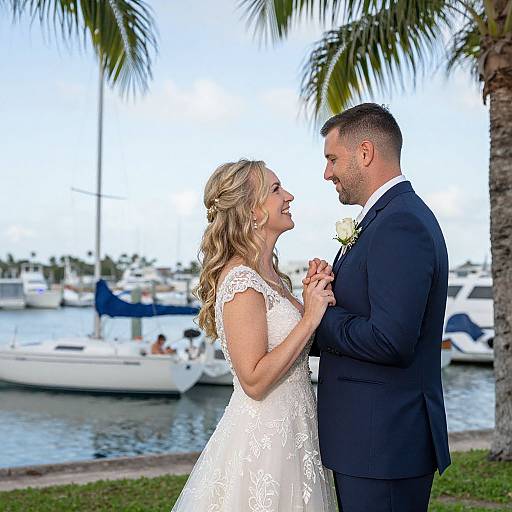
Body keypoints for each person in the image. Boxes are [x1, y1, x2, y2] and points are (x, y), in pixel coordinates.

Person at [306, 103, 451, 512]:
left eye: (332, 159)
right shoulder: (386, 219)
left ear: (365, 152)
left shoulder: (399, 223)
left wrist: (317, 317)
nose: (327, 173)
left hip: (383, 444)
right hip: (371, 442)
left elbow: (390, 341)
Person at [171, 160, 337, 511]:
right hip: (265, 440)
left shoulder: (269, 274)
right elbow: (254, 381)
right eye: (276, 190)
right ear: (252, 211)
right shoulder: (241, 281)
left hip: (297, 430)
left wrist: (313, 294)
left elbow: (297, 341)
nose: (289, 196)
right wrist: (309, 317)